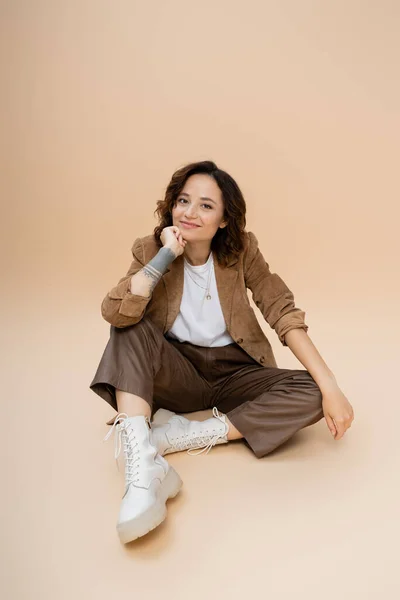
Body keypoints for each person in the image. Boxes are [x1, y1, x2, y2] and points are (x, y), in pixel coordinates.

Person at [89, 160, 354, 544]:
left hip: (236, 373)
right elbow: (115, 312)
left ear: (225, 219)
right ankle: (144, 470)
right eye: (183, 201)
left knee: (312, 391)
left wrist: (330, 386)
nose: (190, 213)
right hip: (175, 372)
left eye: (206, 206)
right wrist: (163, 258)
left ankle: (181, 435)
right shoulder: (150, 249)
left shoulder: (243, 251)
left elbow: (281, 310)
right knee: (130, 324)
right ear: (171, 206)